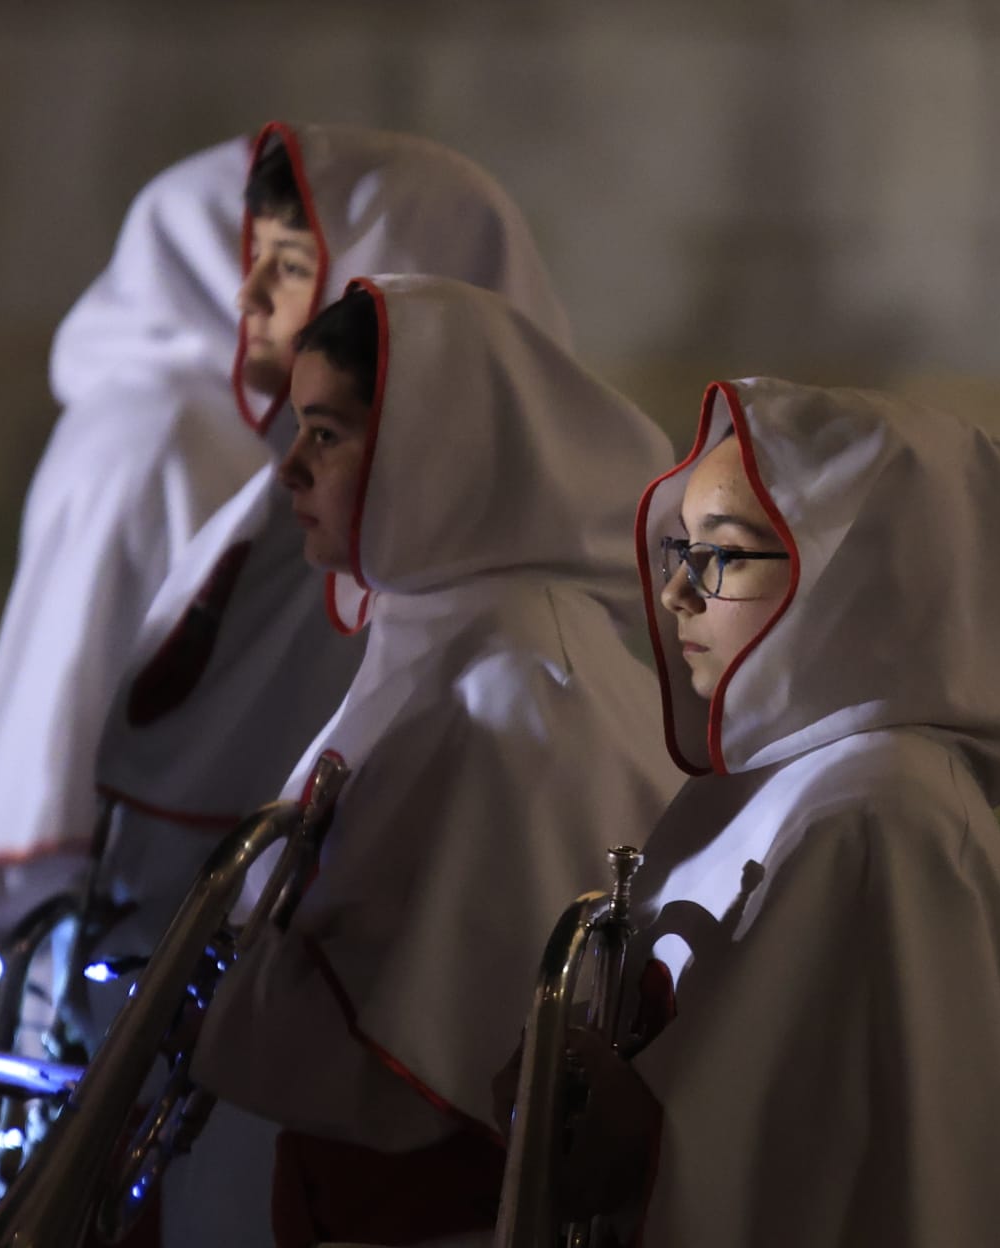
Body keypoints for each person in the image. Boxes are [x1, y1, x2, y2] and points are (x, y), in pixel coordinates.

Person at [73, 125, 583, 1248]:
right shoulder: (395, 605)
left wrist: (206, 1016)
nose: (247, 290)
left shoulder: (508, 682)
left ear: (428, 438)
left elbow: (423, 1017)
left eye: (292, 260)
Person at [188, 277, 680, 1248]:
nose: (290, 469)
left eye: (327, 433)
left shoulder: (516, 687)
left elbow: (447, 1057)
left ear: (431, 454)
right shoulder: (449, 630)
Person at [551, 378, 1000, 1247]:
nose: (676, 597)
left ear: (863, 570)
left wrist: (626, 1126)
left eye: (719, 556)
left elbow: (898, 1181)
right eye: (678, 553)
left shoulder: (888, 817)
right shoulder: (792, 789)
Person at [0, 137, 265, 978]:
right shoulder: (171, 433)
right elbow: (104, 665)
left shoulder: (142, 407)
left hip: (89, 873)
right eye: (269, 260)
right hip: (108, 884)